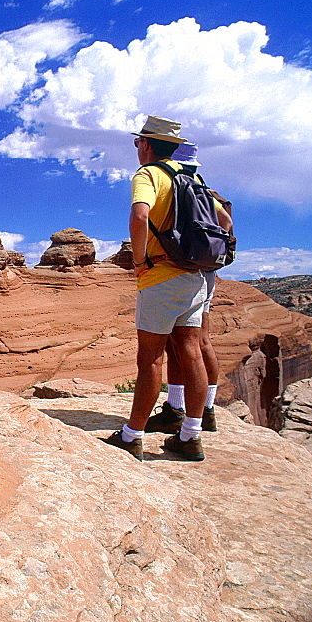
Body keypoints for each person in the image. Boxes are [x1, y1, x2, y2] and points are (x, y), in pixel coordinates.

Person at [104, 116, 231, 461]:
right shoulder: (194, 178)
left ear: (146, 144)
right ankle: (190, 436)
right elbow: (226, 222)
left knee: (150, 360)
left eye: (137, 143)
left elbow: (140, 217)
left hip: (160, 278)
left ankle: (132, 435)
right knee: (191, 351)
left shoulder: (148, 175)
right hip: (194, 276)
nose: (137, 148)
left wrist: (141, 260)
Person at [146, 142, 233, 435]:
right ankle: (194, 410)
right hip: (204, 268)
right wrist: (215, 250)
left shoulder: (181, 183)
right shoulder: (202, 187)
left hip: (187, 269)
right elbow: (227, 222)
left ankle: (189, 411)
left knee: (191, 344)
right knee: (191, 344)